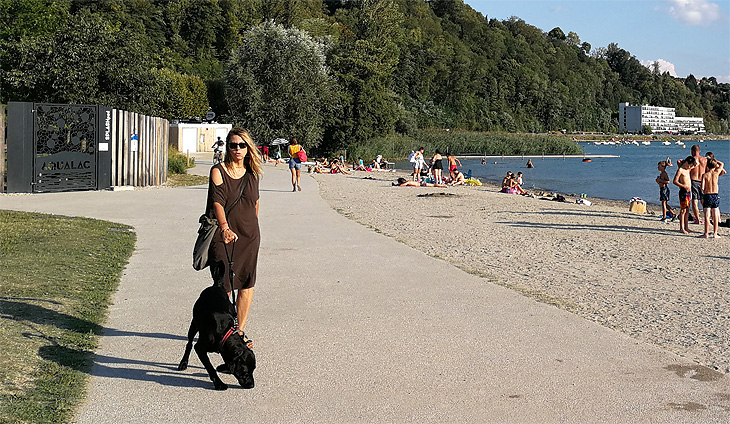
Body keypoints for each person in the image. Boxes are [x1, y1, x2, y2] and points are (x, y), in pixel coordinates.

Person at [205, 128, 262, 348]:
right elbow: (217, 201)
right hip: (224, 235)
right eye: (233, 145)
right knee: (225, 285)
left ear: (248, 148)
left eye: (242, 145)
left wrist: (252, 228)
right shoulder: (218, 171)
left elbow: (255, 203)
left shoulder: (252, 173)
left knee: (247, 284)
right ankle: (225, 330)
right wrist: (225, 227)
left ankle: (238, 332)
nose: (237, 149)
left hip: (249, 236)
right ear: (227, 147)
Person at [699, 158, 724, 238]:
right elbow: (722, 164)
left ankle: (706, 233)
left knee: (707, 215)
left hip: (707, 195)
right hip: (715, 195)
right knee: (715, 215)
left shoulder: (705, 175)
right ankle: (715, 233)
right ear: (714, 166)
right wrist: (715, 161)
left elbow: (702, 187)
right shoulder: (716, 173)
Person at [673, 155, 697, 234]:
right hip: (683, 191)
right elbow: (675, 181)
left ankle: (686, 227)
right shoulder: (681, 170)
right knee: (683, 210)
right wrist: (683, 186)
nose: (690, 167)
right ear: (687, 163)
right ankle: (681, 228)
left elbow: (697, 164)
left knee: (687, 210)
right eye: (689, 165)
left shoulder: (688, 169)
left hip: (688, 191)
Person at [689, 145, 707, 224]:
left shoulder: (691, 160)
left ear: (692, 151)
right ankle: (707, 219)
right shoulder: (705, 160)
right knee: (704, 201)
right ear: (699, 151)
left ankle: (697, 219)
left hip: (694, 181)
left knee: (695, 201)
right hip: (703, 181)